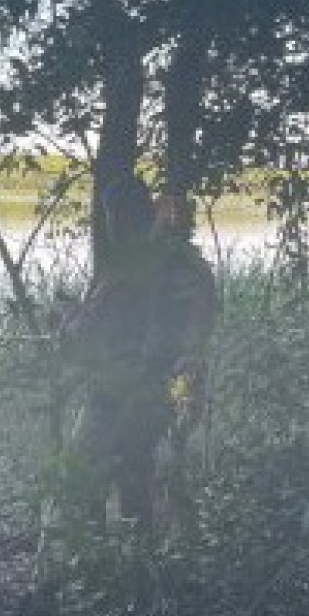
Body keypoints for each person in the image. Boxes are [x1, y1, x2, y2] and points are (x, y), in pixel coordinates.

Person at [67, 177, 219, 529]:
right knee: (86, 473)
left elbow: (196, 328)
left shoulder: (174, 263)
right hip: (115, 388)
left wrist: (180, 386)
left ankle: (143, 562)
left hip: (158, 388)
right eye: (111, 215)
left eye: (120, 214)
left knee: (140, 475)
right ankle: (98, 560)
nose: (114, 223)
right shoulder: (122, 266)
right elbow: (93, 326)